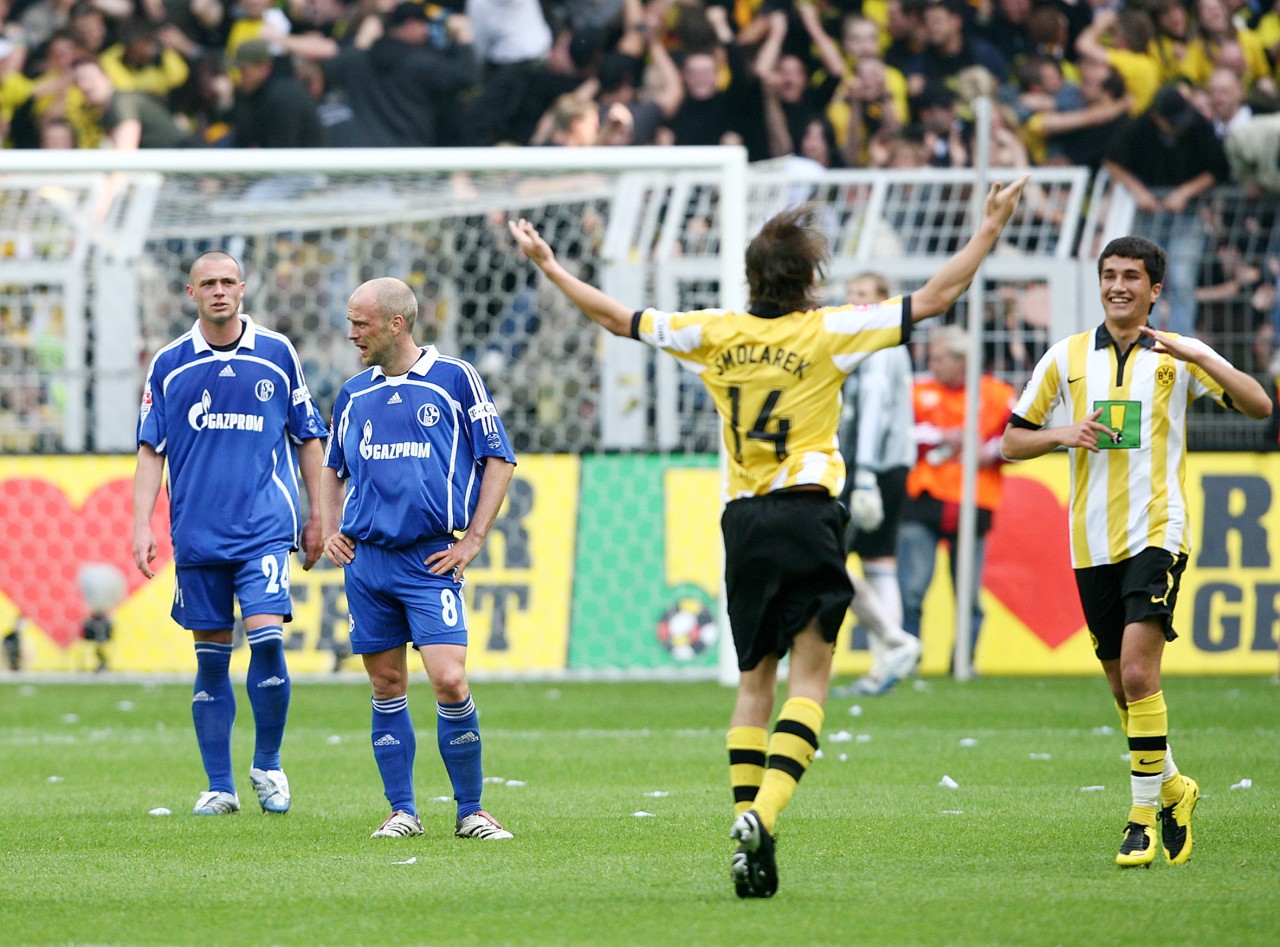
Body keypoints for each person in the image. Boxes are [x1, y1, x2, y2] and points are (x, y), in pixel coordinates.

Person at [508, 176, 1028, 898]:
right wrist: (990, 227)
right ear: (811, 279)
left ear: (750, 277)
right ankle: (764, 810)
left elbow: (617, 318)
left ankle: (748, 837)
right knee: (812, 678)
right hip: (808, 511)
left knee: (756, 682)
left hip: (744, 518)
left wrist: (550, 265)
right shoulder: (828, 330)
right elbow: (935, 299)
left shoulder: (716, 333)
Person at [1001, 235, 1272, 868]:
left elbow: (1260, 406)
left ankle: (1141, 819)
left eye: (1132, 276)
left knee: (1139, 673)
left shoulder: (1177, 358)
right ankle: (1175, 786)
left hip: (1159, 529)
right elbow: (1012, 441)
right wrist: (1065, 433)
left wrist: (1200, 350)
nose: (1118, 285)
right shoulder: (1064, 358)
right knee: (1124, 692)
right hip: (1090, 540)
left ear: (1155, 290)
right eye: (1109, 275)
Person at [320, 277, 518, 842]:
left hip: (430, 559)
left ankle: (472, 810)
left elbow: (498, 459)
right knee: (386, 684)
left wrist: (474, 538)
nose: (351, 332)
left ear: (395, 324)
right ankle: (402, 810)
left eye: (360, 322)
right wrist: (331, 528)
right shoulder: (353, 392)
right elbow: (333, 469)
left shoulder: (455, 380)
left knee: (450, 680)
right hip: (369, 563)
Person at [133, 251, 329, 817]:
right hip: (197, 534)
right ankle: (219, 785)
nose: (219, 291)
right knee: (211, 660)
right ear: (190, 293)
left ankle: (268, 763)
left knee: (267, 639)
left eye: (228, 282)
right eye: (208, 284)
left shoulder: (276, 353)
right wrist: (141, 523)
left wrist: (319, 516)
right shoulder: (169, 364)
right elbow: (151, 449)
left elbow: (309, 438)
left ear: (243, 288)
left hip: (263, 527)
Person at [898, 325, 1014, 674]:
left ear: (962, 361)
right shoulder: (915, 392)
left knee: (968, 594)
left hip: (973, 501)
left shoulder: (996, 394)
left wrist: (990, 451)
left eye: (938, 358)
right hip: (923, 498)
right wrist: (938, 436)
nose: (931, 364)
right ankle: (907, 660)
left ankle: (963, 661)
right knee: (912, 589)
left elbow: (1021, 439)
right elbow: (897, 435)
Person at [836, 272, 921, 697]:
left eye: (863, 294)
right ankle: (888, 662)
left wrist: (864, 472)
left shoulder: (877, 344)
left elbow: (872, 410)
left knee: (829, 560)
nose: (854, 300)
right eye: (851, 292)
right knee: (879, 562)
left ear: (883, 301)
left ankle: (893, 642)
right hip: (892, 464)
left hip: (871, 467)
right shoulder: (889, 344)